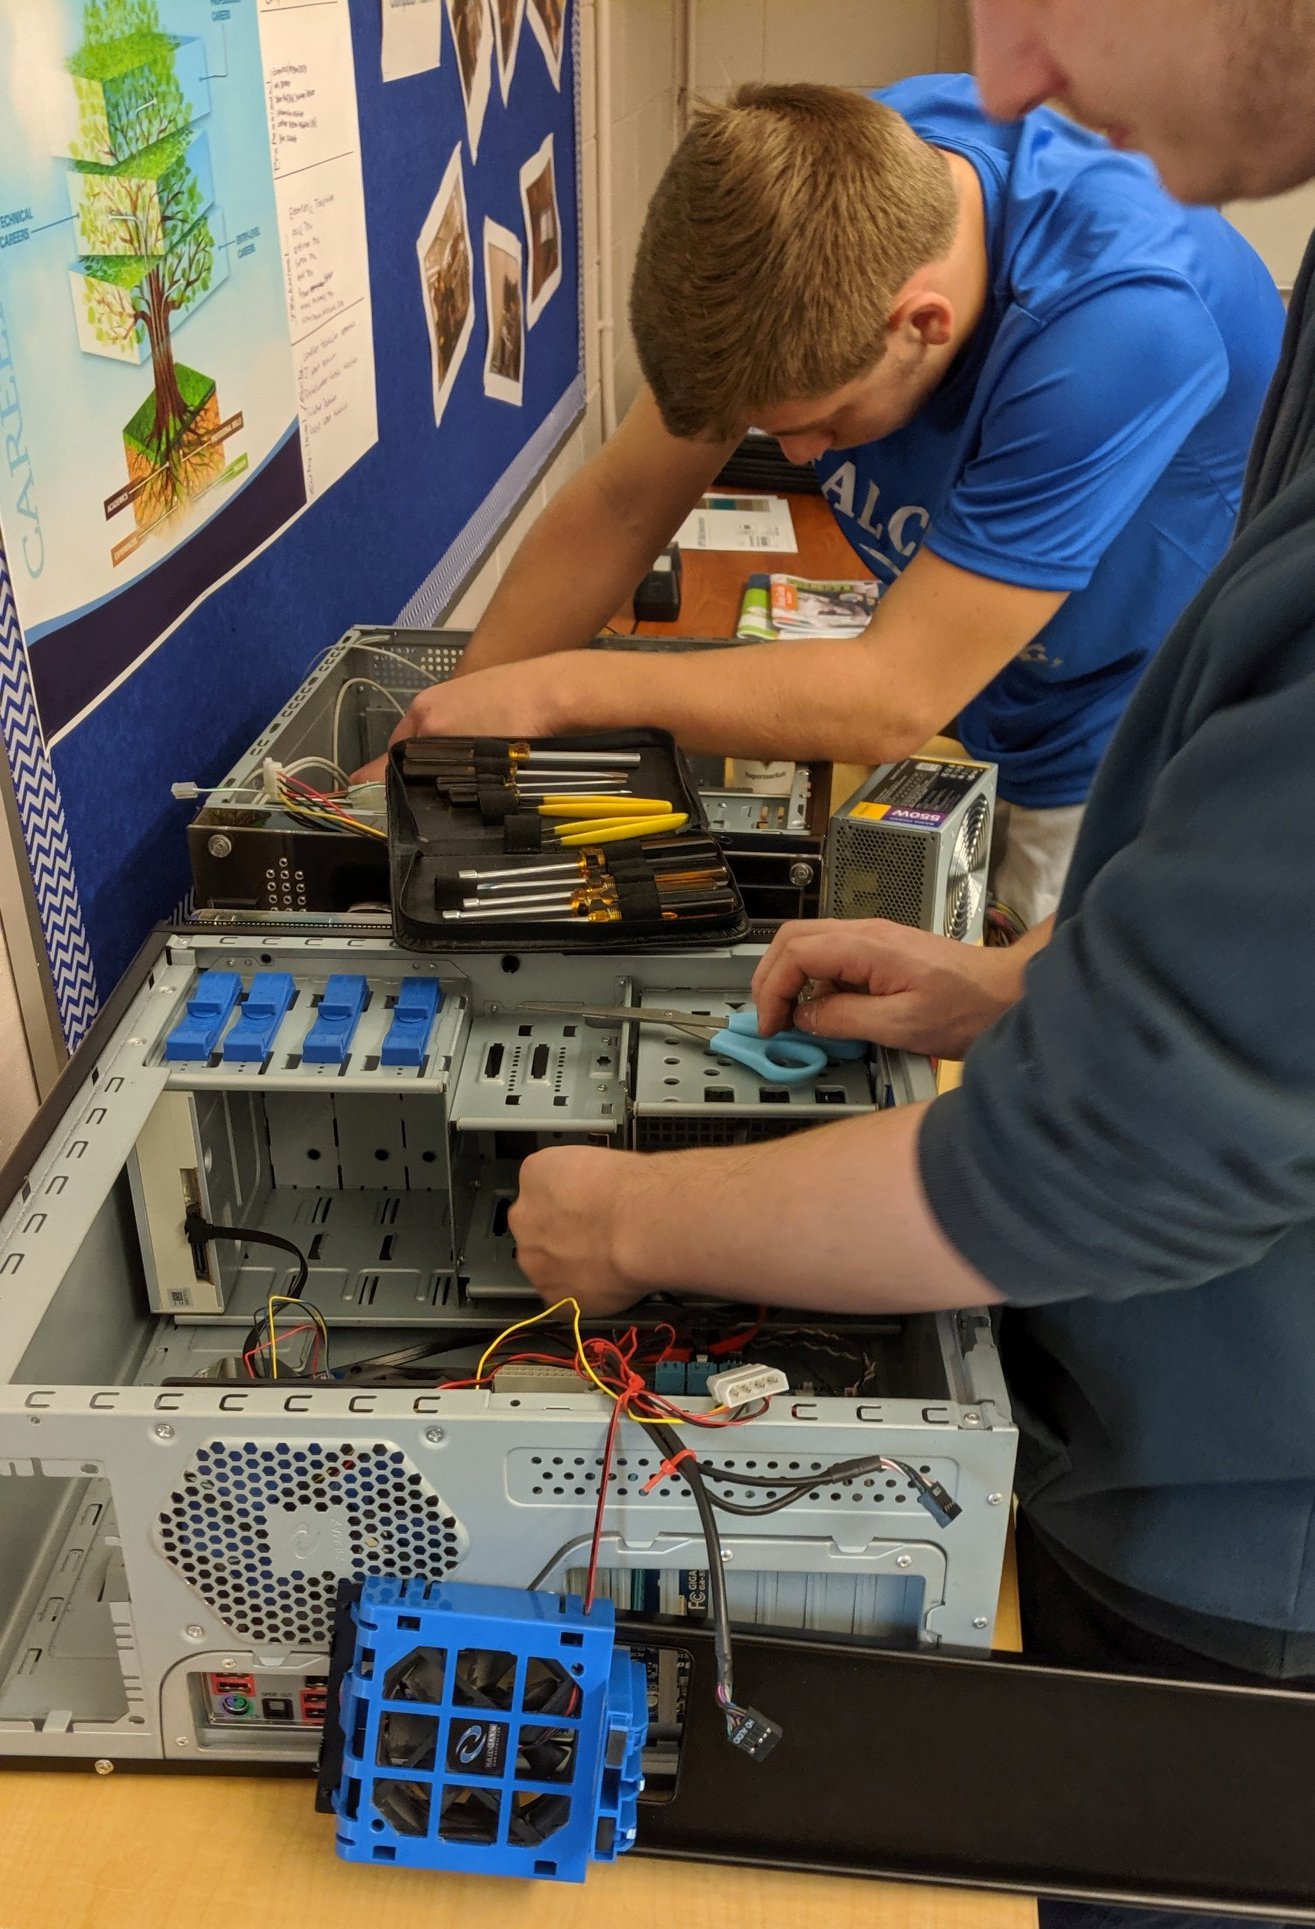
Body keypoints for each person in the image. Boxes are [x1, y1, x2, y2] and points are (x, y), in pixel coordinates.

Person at [508, 5, 1315, 1926]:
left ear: (927, 332)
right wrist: (1016, 987)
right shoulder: (864, 171)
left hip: (1246, 1517)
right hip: (1154, 1081)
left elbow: (1098, 1139)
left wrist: (635, 1220)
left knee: (1150, 1849)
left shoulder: (1131, 310)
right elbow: (1248, 940)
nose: (1013, 64)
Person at [374, 77, 1283, 924]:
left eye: (820, 424)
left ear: (921, 325)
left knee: (1040, 1007)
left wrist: (554, 694)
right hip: (979, 676)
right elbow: (621, 505)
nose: (799, 457)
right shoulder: (821, 203)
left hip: (1123, 723)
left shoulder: (1123, 328)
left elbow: (891, 694)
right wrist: (450, 734)